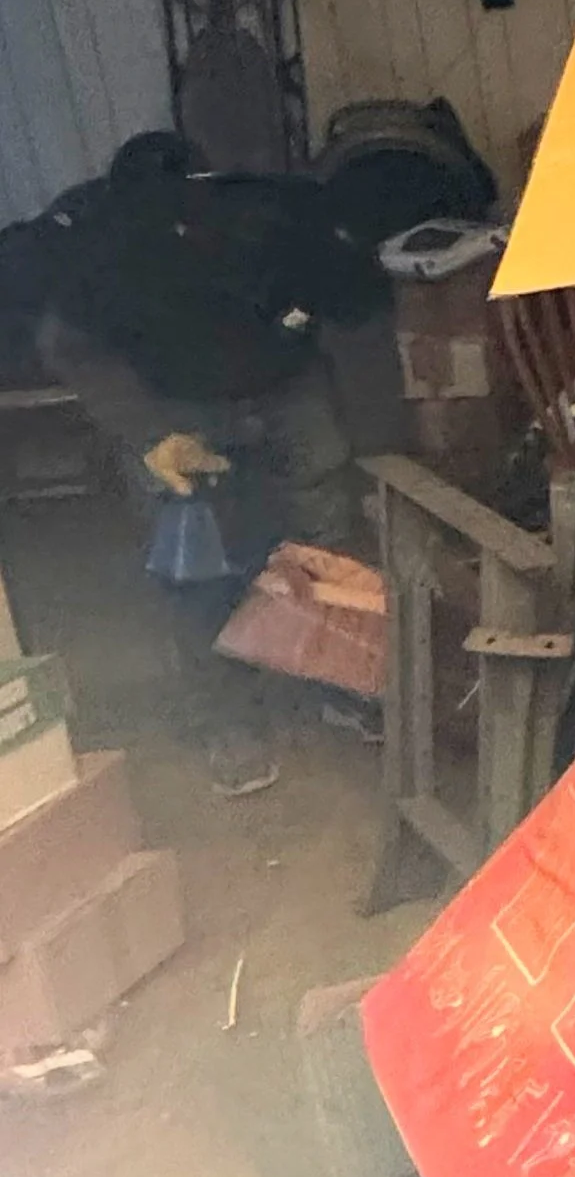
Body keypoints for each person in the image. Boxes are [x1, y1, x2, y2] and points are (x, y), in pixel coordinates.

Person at [36, 133, 381, 796]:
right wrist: (147, 432)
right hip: (172, 404)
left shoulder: (274, 217)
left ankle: (340, 681)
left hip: (286, 387)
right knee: (199, 565)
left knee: (326, 540)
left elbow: (359, 296)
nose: (189, 224)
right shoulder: (104, 250)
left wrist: (310, 305)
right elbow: (68, 344)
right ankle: (226, 718)